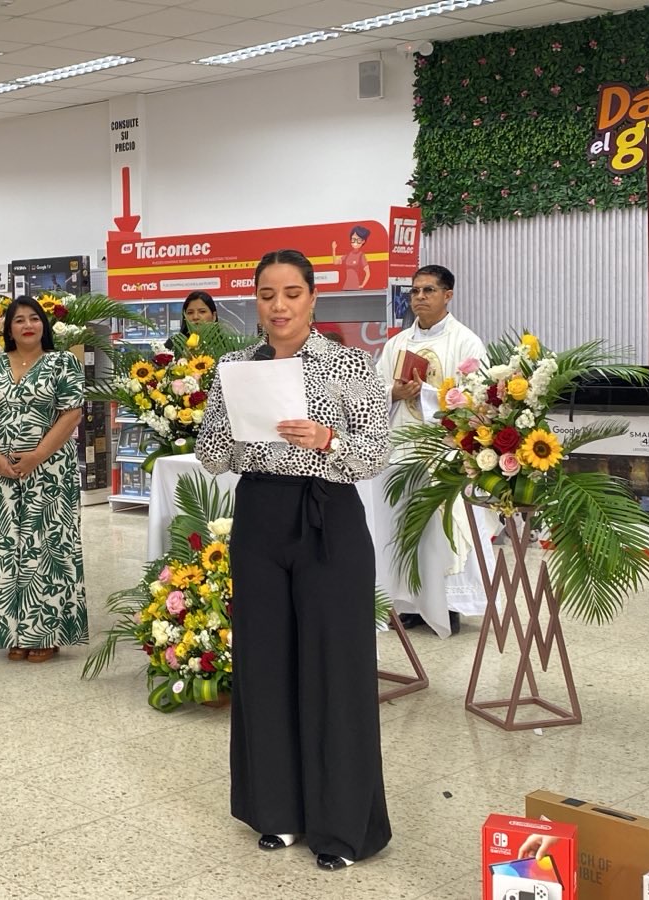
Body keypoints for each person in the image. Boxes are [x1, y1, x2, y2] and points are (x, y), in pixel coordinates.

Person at [195, 249, 393, 871]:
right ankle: (276, 810)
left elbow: (375, 452)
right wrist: (235, 429)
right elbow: (211, 455)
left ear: (312, 298)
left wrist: (327, 438)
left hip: (326, 516)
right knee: (265, 664)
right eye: (266, 295)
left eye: (291, 293)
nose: (278, 306)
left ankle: (342, 827)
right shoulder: (235, 367)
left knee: (335, 667)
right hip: (260, 517)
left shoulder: (349, 365)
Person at [0, 297, 87, 661]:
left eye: (34, 318)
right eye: (19, 320)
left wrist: (36, 455)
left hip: (50, 472)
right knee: (7, 549)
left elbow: (71, 414)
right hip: (3, 471)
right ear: (8, 328)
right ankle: (12, 633)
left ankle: (47, 633)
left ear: (43, 325)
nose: (27, 325)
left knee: (48, 549)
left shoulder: (62, 362)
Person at [375, 264, 489, 637]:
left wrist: (424, 392)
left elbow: (477, 399)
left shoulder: (466, 342)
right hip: (402, 450)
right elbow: (375, 391)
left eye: (428, 290)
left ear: (448, 295)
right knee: (403, 526)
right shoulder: (396, 344)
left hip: (445, 451)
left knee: (445, 529)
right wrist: (394, 392)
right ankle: (408, 603)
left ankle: (449, 604)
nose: (420, 297)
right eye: (415, 291)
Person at [332, 225, 373, 291]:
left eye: (358, 240)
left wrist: (362, 285)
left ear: (363, 241)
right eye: (353, 239)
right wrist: (334, 249)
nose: (355, 242)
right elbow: (335, 262)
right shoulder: (348, 255)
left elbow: (368, 273)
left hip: (356, 287)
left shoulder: (361, 255)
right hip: (346, 286)